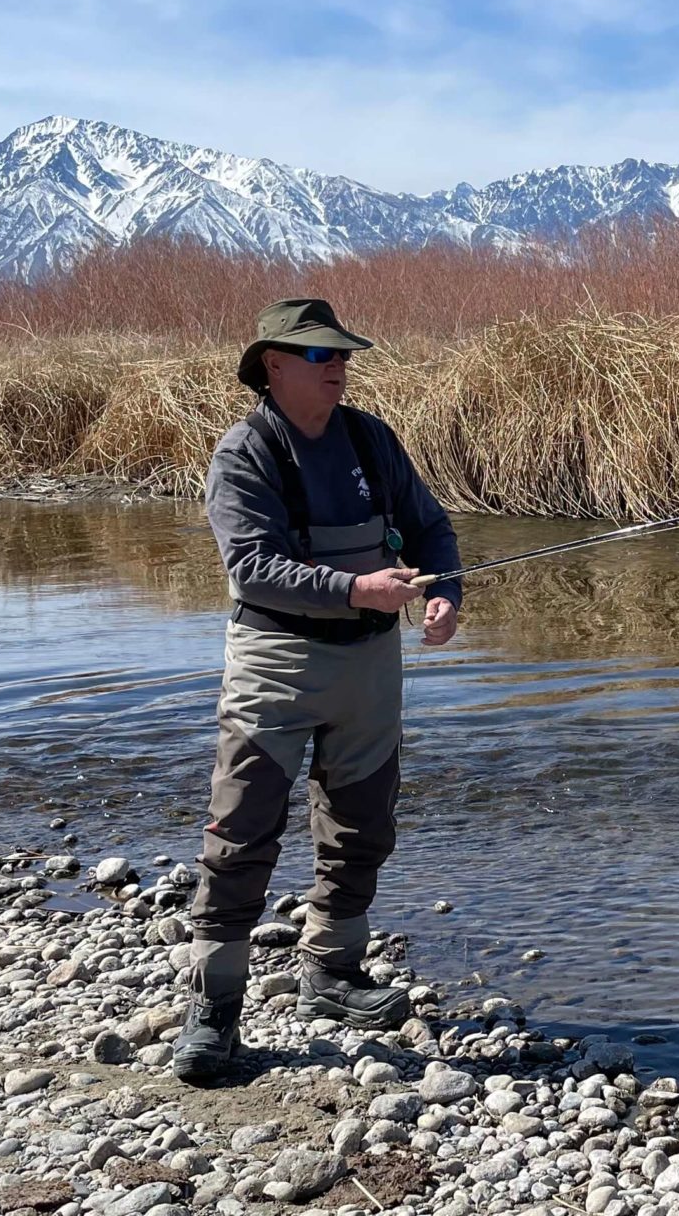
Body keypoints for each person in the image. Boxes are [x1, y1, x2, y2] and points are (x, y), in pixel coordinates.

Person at [171, 297, 464, 1084]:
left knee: (362, 824)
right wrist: (356, 588)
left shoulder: (372, 440)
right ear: (272, 364)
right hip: (275, 661)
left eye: (341, 355)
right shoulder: (244, 454)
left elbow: (433, 531)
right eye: (318, 356)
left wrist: (446, 596)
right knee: (240, 833)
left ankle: (332, 974)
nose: (338, 366)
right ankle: (214, 1011)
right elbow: (254, 569)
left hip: (370, 666)